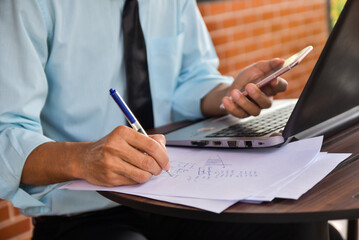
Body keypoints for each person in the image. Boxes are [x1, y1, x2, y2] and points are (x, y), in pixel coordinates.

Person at [0, 0, 341, 240]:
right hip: (84, 213)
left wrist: (229, 94)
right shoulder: (29, 4)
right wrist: (83, 158)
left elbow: (190, 77)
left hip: (178, 198)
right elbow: (6, 132)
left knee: (294, 230)